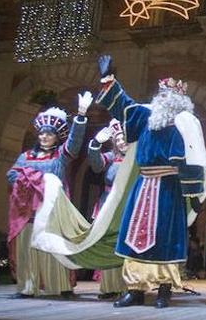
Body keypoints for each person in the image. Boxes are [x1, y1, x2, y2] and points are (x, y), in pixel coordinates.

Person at [94, 55, 206, 309]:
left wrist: (193, 195)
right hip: (143, 185)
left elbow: (192, 159)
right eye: (162, 95)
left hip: (169, 188)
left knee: (166, 238)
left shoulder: (185, 125)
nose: (164, 100)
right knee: (134, 234)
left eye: (169, 97)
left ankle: (164, 289)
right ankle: (134, 290)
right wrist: (108, 79)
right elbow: (122, 105)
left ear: (179, 102)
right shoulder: (144, 117)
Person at [6, 93, 92, 298]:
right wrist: (32, 178)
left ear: (56, 136)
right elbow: (11, 175)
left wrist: (80, 115)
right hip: (28, 212)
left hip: (52, 210)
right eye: (42, 133)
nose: (44, 137)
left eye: (49, 134)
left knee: (55, 248)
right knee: (29, 249)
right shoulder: (25, 156)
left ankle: (62, 285)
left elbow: (75, 142)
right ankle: (28, 286)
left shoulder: (60, 156)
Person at [87, 119, 127, 299]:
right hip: (108, 205)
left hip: (128, 207)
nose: (121, 142)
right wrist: (95, 144)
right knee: (108, 245)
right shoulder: (111, 157)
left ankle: (128, 287)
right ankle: (108, 287)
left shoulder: (139, 157)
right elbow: (96, 165)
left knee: (125, 246)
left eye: (124, 139)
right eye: (117, 139)